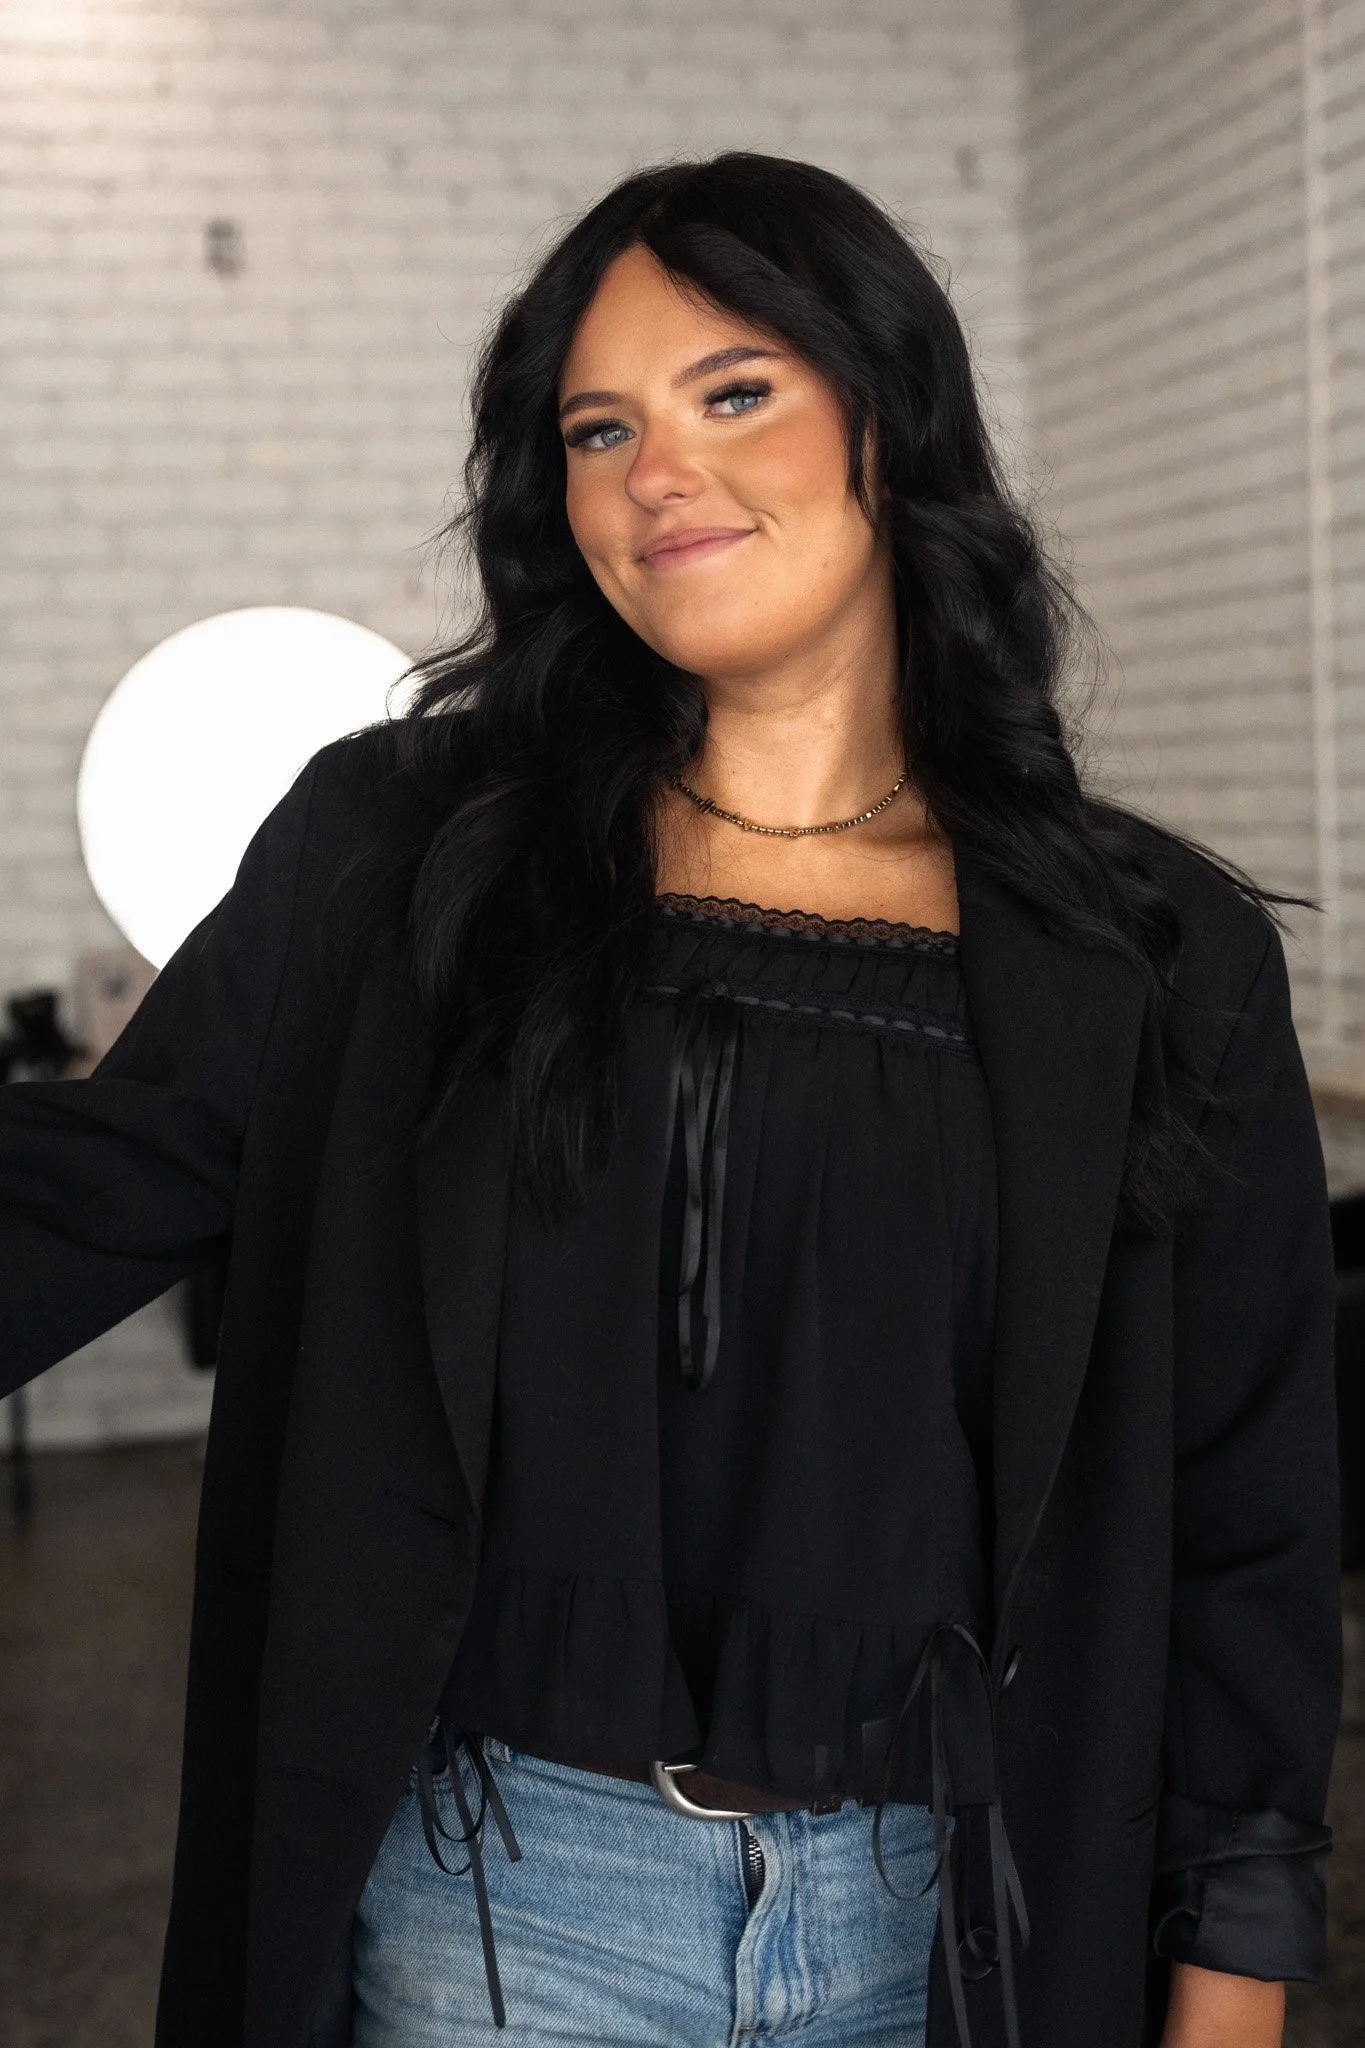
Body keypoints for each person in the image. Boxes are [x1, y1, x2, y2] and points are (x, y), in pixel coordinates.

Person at [0, 154, 1340, 2048]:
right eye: (599, 428)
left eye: (734, 391)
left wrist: (1236, 1966)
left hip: (971, 1925)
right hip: (502, 1918)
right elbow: (86, 1184)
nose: (655, 473)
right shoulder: (401, 855)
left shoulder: (1156, 953)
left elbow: (1245, 1511)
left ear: (891, 424)